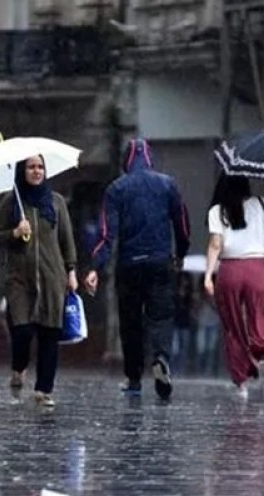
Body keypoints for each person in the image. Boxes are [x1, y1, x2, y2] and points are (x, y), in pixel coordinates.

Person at [84, 138, 190, 400]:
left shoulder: (116, 189)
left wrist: (96, 266)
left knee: (130, 322)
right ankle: (161, 358)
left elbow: (107, 232)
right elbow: (182, 223)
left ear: (126, 161)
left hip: (129, 265)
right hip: (160, 262)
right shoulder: (168, 184)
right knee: (161, 317)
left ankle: (133, 379)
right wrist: (181, 252)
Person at [0, 155, 77, 408]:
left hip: (52, 277)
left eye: (40, 167)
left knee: (50, 333)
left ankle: (44, 389)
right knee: (22, 330)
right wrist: (16, 233)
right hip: (20, 278)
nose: (36, 171)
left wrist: (71, 271)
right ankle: (19, 368)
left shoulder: (56, 202)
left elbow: (66, 240)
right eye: (31, 167)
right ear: (22, 171)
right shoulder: (11, 202)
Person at [203, 174, 264, 399]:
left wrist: (207, 276)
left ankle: (241, 383)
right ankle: (260, 357)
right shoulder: (261, 204)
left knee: (233, 327)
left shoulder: (217, 211)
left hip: (230, 271)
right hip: (258, 270)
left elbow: (216, 244)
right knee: (259, 319)